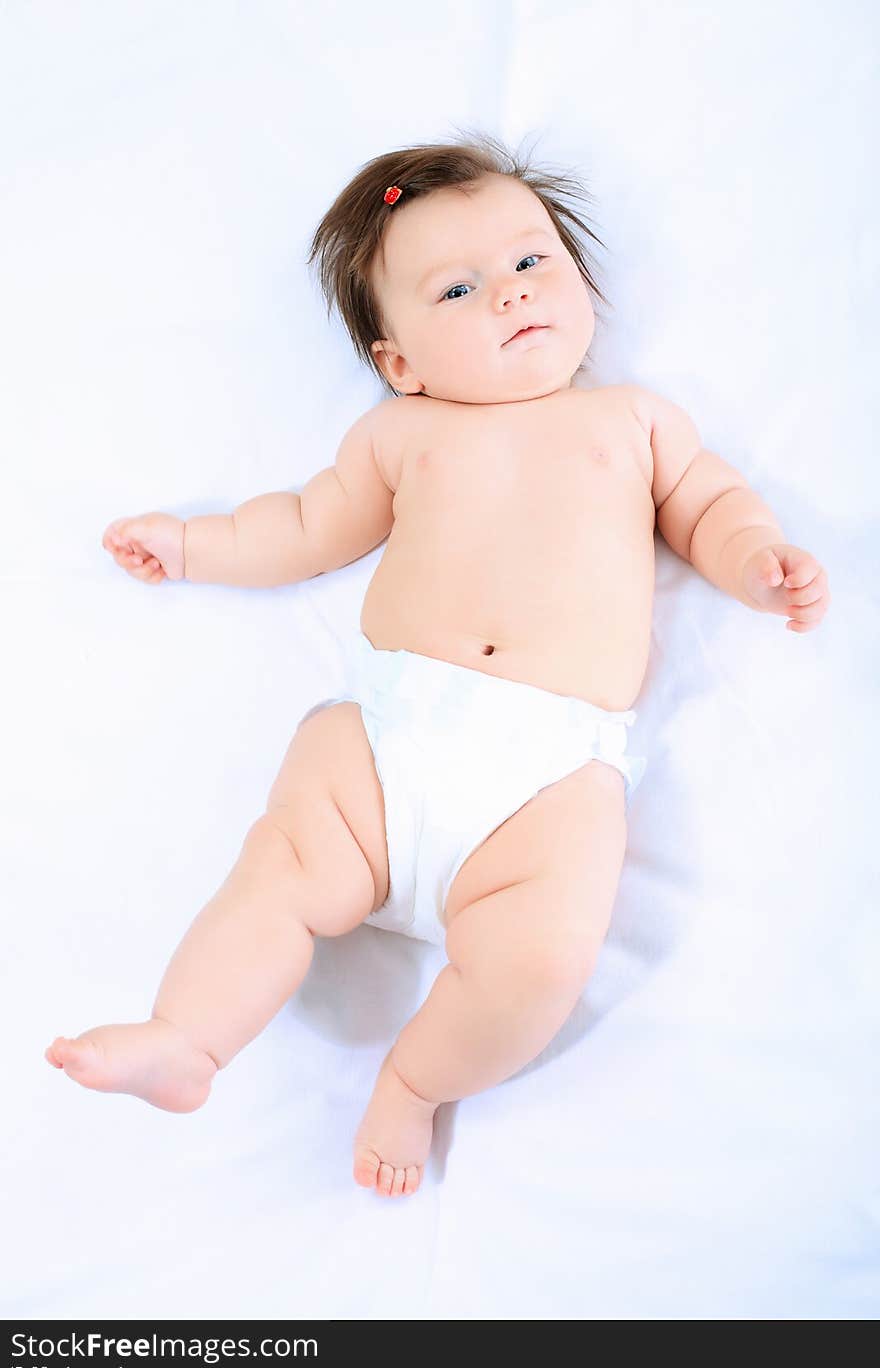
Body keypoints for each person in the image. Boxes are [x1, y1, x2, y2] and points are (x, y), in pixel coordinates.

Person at [45, 132, 830, 1198]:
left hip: (546, 780)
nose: (508, 295)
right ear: (400, 362)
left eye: (529, 262)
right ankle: (185, 1035)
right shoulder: (401, 437)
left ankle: (415, 1082)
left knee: (542, 959)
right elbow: (304, 527)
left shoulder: (634, 422)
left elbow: (707, 506)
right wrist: (194, 546)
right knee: (278, 868)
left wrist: (755, 561)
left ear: (581, 281)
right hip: (386, 738)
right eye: (457, 288)